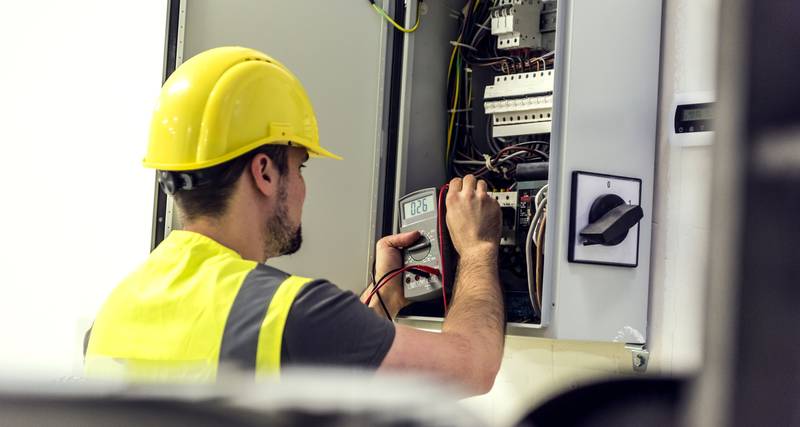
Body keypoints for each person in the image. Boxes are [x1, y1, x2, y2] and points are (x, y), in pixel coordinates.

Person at [85, 47, 504, 395]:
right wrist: (477, 248)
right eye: (300, 167)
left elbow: (313, 358)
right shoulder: (291, 311)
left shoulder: (111, 317)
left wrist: (385, 299)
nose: (303, 188)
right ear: (265, 172)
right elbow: (473, 368)